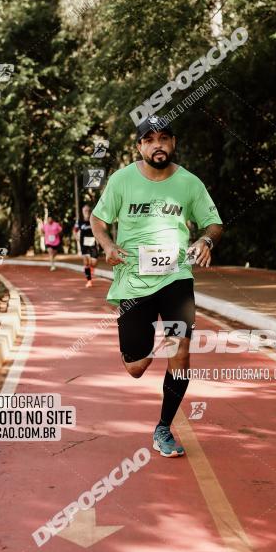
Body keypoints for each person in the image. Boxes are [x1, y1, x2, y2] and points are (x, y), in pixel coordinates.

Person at [90, 116, 223, 458]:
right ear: (140, 147)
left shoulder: (189, 183)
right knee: (135, 367)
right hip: (134, 280)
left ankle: (164, 427)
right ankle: (153, 348)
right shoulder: (122, 180)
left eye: (164, 138)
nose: (158, 144)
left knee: (181, 351)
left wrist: (206, 238)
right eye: (150, 139)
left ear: (173, 144)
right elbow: (98, 220)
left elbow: (213, 222)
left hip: (176, 275)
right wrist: (106, 245)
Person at [74, 204, 99, 287]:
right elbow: (75, 230)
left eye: (88, 210)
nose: (87, 212)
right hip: (84, 244)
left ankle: (90, 271)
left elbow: (99, 230)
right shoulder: (79, 221)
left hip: (93, 243)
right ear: (82, 212)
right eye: (85, 210)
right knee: (86, 262)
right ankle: (89, 280)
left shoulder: (93, 220)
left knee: (94, 262)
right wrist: (76, 236)